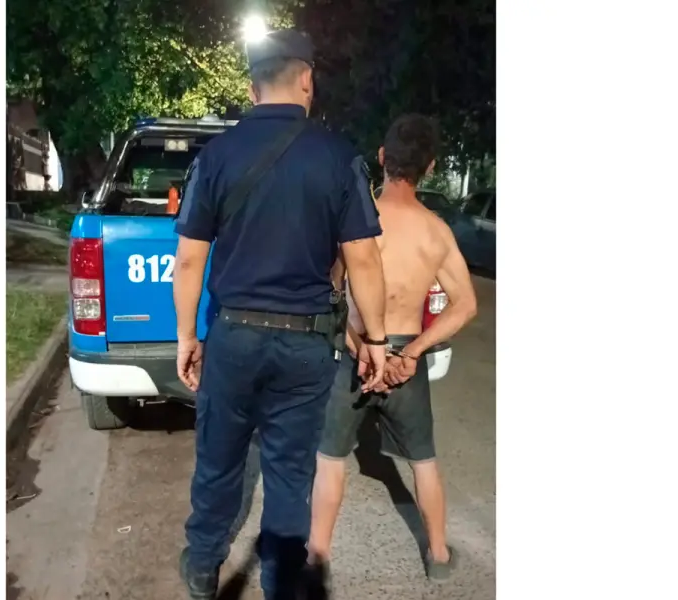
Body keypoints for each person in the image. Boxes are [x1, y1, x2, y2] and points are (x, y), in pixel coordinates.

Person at [172, 29, 389, 600]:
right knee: (291, 475)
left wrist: (186, 337)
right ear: (307, 80)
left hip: (234, 337)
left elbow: (189, 260)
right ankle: (281, 585)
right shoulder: (340, 158)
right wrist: (376, 340)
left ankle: (203, 565)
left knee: (219, 459)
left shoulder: (216, 157)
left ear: (252, 89)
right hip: (306, 346)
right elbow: (364, 260)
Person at [307, 114, 479, 581]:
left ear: (382, 158)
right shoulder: (436, 232)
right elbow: (465, 305)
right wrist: (412, 352)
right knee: (423, 460)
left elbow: (330, 294)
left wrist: (358, 344)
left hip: (355, 353)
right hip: (405, 358)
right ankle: (438, 555)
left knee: (330, 460)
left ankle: (317, 558)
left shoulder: (355, 220)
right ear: (431, 166)